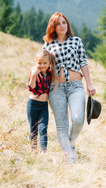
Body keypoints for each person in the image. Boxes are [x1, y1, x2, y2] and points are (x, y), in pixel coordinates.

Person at [42, 12, 96, 163]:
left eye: (64, 22)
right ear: (53, 27)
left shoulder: (76, 41)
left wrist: (89, 84)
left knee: (78, 119)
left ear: (67, 24)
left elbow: (83, 62)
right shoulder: (48, 45)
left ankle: (71, 145)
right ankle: (70, 158)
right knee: (62, 127)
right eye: (58, 24)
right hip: (56, 88)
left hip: (75, 86)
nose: (62, 26)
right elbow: (42, 65)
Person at [27, 50, 57, 153]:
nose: (42, 65)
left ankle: (43, 151)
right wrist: (34, 75)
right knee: (33, 129)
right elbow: (31, 87)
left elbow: (57, 67)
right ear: (36, 62)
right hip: (33, 105)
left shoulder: (50, 72)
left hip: (44, 106)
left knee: (43, 128)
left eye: (45, 63)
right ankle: (33, 150)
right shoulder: (34, 71)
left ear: (49, 63)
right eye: (39, 63)